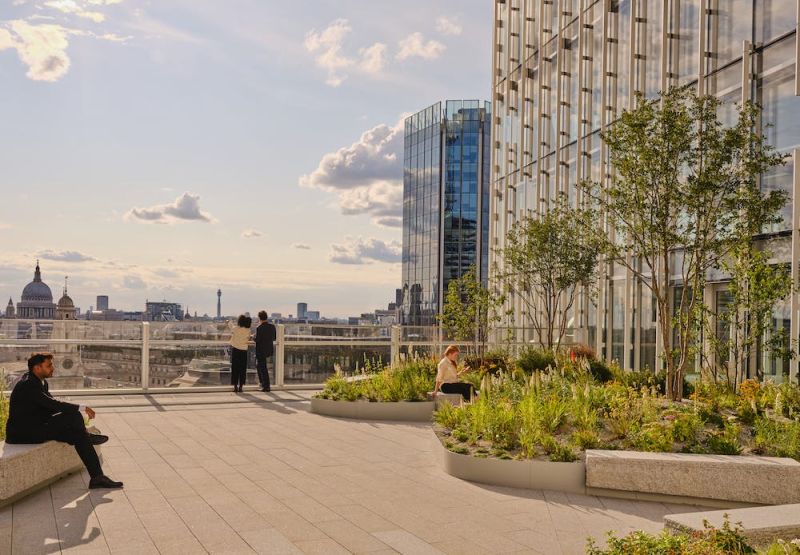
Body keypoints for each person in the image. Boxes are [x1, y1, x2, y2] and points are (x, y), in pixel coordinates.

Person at [5, 353, 123, 489]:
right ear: (37, 368)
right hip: (23, 434)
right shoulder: (28, 385)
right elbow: (53, 405)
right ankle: (94, 467)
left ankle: (97, 477)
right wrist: (81, 407)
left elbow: (51, 407)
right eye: (49, 365)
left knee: (78, 433)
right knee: (76, 420)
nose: (53, 368)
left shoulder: (40, 381)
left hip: (37, 425)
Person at [228, 314, 252, 392]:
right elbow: (248, 338)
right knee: (242, 369)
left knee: (235, 369)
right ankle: (241, 386)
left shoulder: (236, 329)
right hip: (244, 351)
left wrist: (229, 321)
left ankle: (235, 386)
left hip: (235, 350)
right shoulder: (248, 330)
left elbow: (231, 326)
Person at [254, 310, 276, 392]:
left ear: (259, 318)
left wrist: (253, 337)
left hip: (260, 351)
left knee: (262, 368)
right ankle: (263, 384)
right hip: (268, 349)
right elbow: (274, 338)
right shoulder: (272, 327)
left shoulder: (259, 328)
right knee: (260, 366)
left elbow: (257, 339)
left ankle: (266, 386)